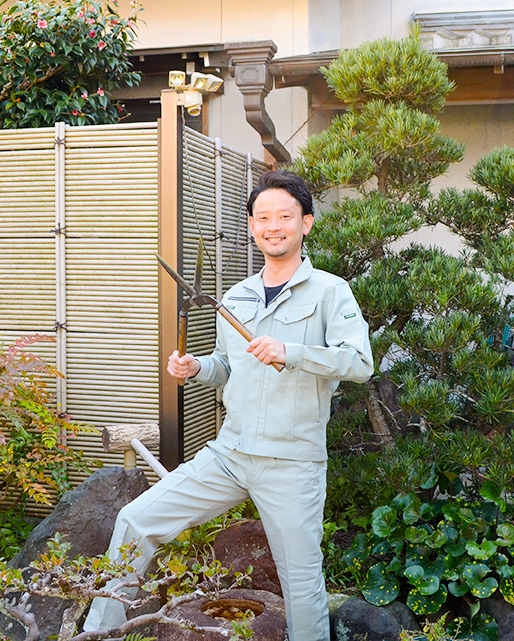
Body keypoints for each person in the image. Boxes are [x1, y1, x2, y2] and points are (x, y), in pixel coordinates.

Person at [83, 170, 373, 640]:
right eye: (263, 217)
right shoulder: (236, 295)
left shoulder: (330, 292)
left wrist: (290, 351)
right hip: (230, 454)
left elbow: (360, 363)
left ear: (307, 223)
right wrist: (198, 368)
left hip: (291, 461)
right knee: (136, 519)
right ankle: (100, 633)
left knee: (300, 582)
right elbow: (229, 365)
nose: (273, 225)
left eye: (284, 216)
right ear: (252, 226)